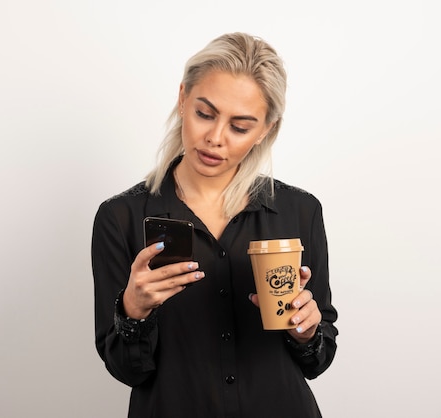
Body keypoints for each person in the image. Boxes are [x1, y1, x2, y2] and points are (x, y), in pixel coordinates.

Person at [91, 32, 338, 418]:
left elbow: (317, 360)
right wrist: (132, 312)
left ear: (266, 130)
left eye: (240, 127)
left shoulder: (299, 211)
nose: (214, 138)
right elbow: (127, 370)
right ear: (183, 97)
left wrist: (306, 331)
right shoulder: (121, 217)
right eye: (205, 113)